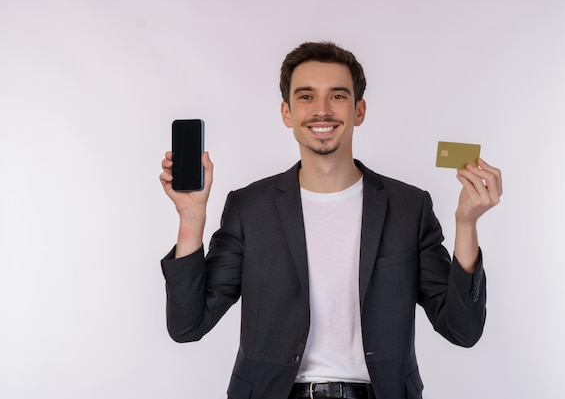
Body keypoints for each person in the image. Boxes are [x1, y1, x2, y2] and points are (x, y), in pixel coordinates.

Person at [159, 41, 502, 399]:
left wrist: (467, 225)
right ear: (287, 112)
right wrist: (191, 217)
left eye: (337, 96)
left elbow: (462, 330)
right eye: (306, 97)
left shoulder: (408, 207)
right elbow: (187, 325)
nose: (321, 111)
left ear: (359, 110)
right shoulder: (250, 208)